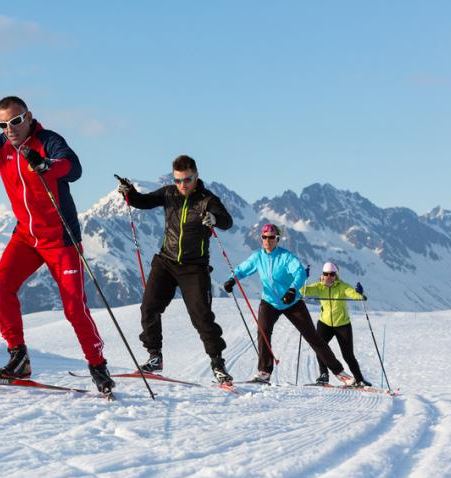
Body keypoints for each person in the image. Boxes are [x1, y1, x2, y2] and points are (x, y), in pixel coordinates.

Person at [0, 96, 114, 395]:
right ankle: (18, 358)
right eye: (3, 124)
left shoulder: (48, 140)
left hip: (60, 239)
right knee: (1, 285)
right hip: (27, 237)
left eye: (16, 121)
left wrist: (46, 166)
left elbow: (73, 168)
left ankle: (97, 365)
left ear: (29, 117)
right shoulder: (0, 148)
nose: (10, 129)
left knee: (73, 308)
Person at [116, 155, 234, 384]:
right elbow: (142, 201)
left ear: (196, 175)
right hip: (166, 261)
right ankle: (154, 356)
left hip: (194, 267)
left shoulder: (207, 200)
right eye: (178, 180)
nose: (182, 185)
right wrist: (128, 191)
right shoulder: (169, 193)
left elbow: (227, 221)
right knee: (149, 307)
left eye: (187, 180)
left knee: (202, 317)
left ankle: (218, 364)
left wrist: (213, 218)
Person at [223, 224, 355, 385]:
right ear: (261, 239)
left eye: (271, 237)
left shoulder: (285, 257)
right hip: (269, 301)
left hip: (291, 301)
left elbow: (299, 272)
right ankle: (264, 372)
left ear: (277, 239)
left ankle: (339, 372)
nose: (268, 240)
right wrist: (232, 279)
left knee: (312, 336)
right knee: (263, 332)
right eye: (264, 237)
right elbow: (243, 269)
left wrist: (292, 290)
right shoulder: (258, 256)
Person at [301, 262, 371, 386]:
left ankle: (359, 380)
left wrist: (360, 294)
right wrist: (303, 279)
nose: (329, 276)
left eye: (332, 274)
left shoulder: (342, 286)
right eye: (326, 274)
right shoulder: (319, 287)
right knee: (320, 349)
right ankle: (324, 375)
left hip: (342, 324)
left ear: (336, 275)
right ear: (322, 275)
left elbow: (354, 294)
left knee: (348, 355)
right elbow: (303, 292)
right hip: (325, 323)